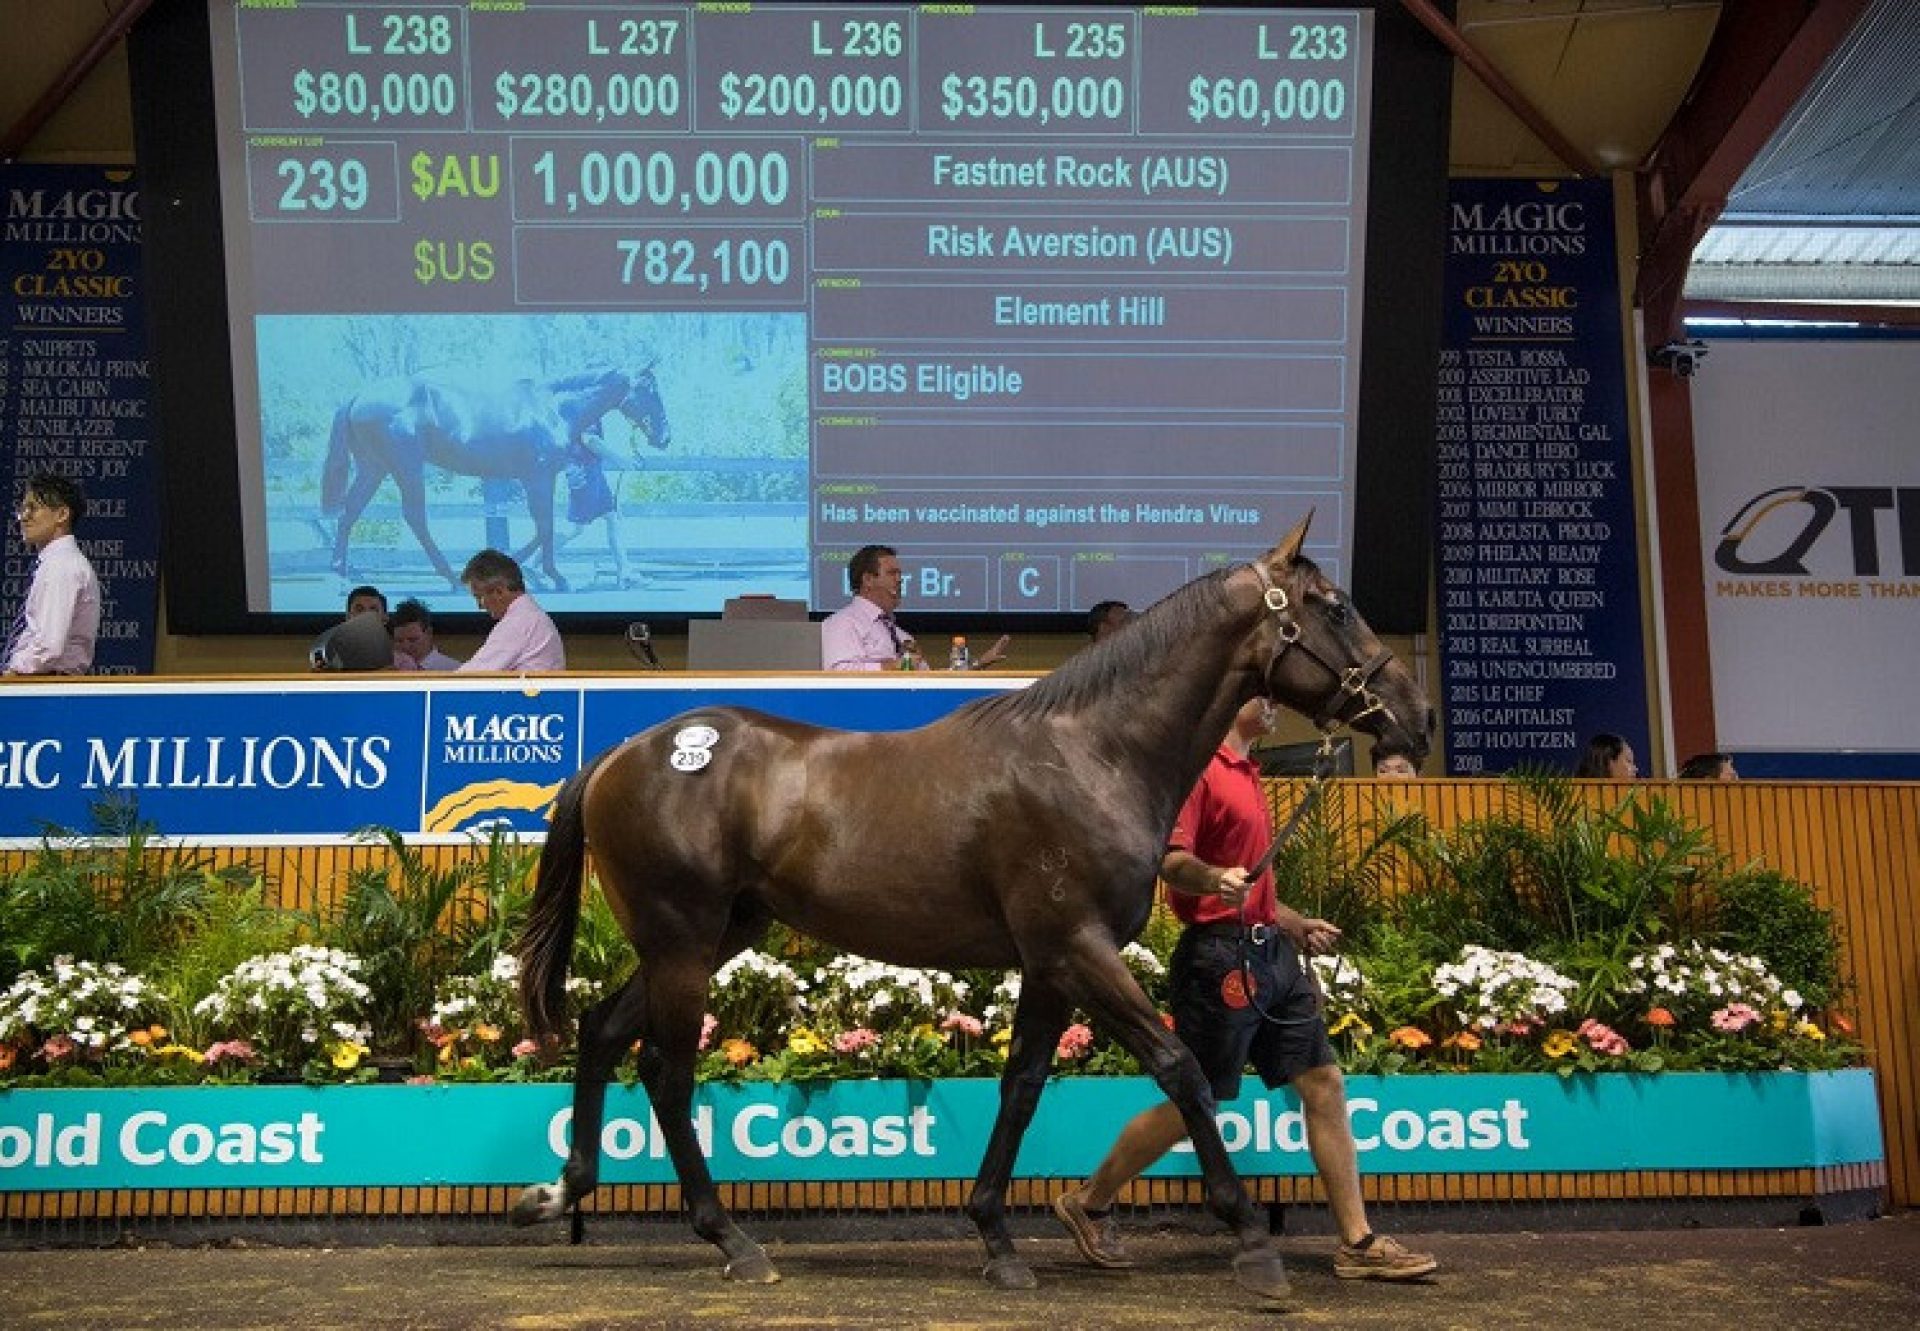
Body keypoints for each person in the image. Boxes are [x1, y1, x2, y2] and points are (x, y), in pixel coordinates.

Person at [1052, 697, 1437, 1284]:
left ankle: (1358, 1243)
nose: (1274, 701)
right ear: (1232, 706)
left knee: (1325, 1083)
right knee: (1196, 1099)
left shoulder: (1250, 771)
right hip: (1216, 960)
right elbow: (1171, 859)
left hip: (1271, 954)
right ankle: (1090, 1199)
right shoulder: (1200, 768)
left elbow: (1252, 886)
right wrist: (1214, 879)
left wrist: (1292, 922)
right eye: (1263, 694)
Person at [821, 543, 1007, 671]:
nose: (900, 580)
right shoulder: (842, 624)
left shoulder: (902, 637)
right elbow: (838, 673)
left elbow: (927, 680)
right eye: (892, 573)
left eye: (900, 574)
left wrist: (978, 665)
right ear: (868, 579)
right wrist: (892, 667)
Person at [4, 473, 101, 676]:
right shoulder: (56, 563)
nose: (24, 516)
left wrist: (11, 673)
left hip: (42, 684)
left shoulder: (62, 565)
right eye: (22, 508)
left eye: (33, 508)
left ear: (62, 515)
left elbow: (49, 645)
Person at [458, 549, 565, 672]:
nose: (480, 606)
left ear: (499, 591)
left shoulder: (519, 622)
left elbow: (471, 676)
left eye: (479, 597)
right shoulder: (531, 616)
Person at [390, 598, 462, 670]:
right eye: (399, 641)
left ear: (429, 633)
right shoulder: (386, 671)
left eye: (413, 640)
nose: (405, 646)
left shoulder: (454, 670)